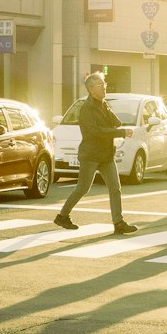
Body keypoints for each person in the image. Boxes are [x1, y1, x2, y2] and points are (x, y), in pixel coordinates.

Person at [53, 72, 136, 236]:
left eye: (104, 84)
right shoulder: (86, 108)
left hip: (106, 155)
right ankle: (62, 216)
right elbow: (96, 131)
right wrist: (120, 133)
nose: (105, 87)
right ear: (91, 89)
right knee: (82, 188)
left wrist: (108, 108)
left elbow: (116, 122)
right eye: (101, 85)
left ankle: (118, 222)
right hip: (90, 154)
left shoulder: (103, 104)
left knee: (115, 188)